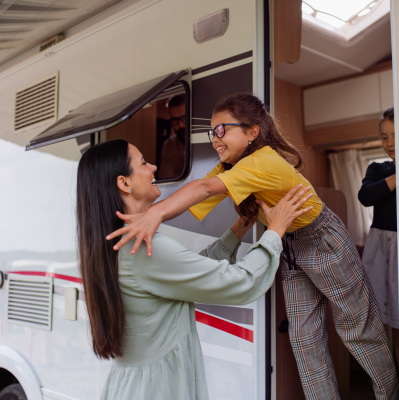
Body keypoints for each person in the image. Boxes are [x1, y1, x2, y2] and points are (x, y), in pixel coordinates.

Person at [107, 94, 399, 400]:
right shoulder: (230, 167)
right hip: (289, 244)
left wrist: (154, 213)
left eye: (222, 130)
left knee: (358, 330)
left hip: (322, 238)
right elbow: (200, 193)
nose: (215, 139)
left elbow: (205, 189)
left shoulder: (265, 161)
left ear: (252, 132)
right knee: (304, 341)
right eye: (212, 132)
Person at [77, 138, 312, 399]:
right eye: (143, 163)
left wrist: (240, 228)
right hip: (156, 390)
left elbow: (188, 272)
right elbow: (239, 282)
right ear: (124, 183)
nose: (154, 167)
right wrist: (276, 230)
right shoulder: (142, 249)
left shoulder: (117, 244)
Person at [358, 106, 399, 366]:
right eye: (384, 137)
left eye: (395, 135)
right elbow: (366, 197)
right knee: (378, 316)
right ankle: (389, 379)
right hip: (380, 247)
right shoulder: (378, 168)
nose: (390, 143)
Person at [158, 93, 186, 179]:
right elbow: (166, 181)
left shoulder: (211, 138)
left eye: (184, 118)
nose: (181, 125)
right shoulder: (170, 146)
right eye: (175, 120)